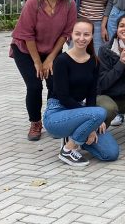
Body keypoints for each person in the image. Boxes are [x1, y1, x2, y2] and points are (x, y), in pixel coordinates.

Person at [10, 0, 76, 141]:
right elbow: (27, 35)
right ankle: (35, 122)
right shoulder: (34, 3)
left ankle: (53, 120)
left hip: (51, 50)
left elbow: (65, 34)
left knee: (55, 85)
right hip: (25, 50)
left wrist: (51, 59)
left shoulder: (69, 4)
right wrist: (38, 62)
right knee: (34, 85)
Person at [42, 19, 120, 166]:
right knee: (99, 112)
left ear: (91, 36)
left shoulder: (94, 62)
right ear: (71, 35)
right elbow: (63, 97)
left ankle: (74, 136)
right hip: (57, 114)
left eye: (86, 34)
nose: (81, 38)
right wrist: (92, 119)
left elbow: (91, 95)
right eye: (77, 34)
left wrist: (92, 123)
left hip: (80, 112)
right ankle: (68, 149)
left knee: (111, 153)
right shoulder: (61, 61)